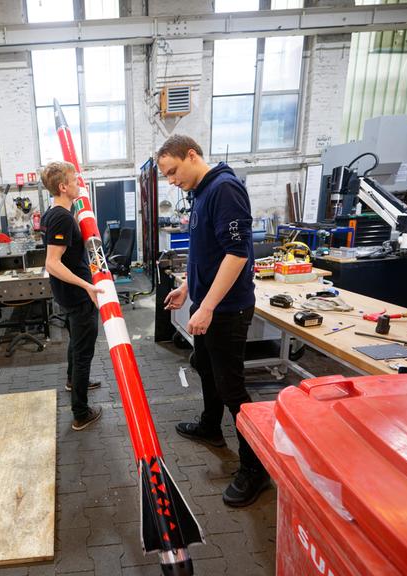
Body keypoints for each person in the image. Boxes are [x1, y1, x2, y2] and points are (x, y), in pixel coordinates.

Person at [157, 134, 270, 507]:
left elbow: (237, 254)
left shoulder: (225, 189)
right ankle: (210, 426)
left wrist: (206, 307)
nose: (171, 181)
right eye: (167, 176)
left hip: (227, 309)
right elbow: (206, 250)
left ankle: (256, 469)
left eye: (173, 171)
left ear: (192, 155)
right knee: (203, 365)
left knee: (232, 388)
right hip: (209, 304)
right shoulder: (201, 192)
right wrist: (189, 289)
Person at [41, 161, 103, 431]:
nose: (80, 185)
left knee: (76, 342)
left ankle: (72, 380)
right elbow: (52, 263)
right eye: (75, 181)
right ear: (63, 187)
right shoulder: (61, 217)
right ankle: (80, 412)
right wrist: (87, 286)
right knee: (83, 351)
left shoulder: (57, 212)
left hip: (69, 294)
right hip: (78, 295)